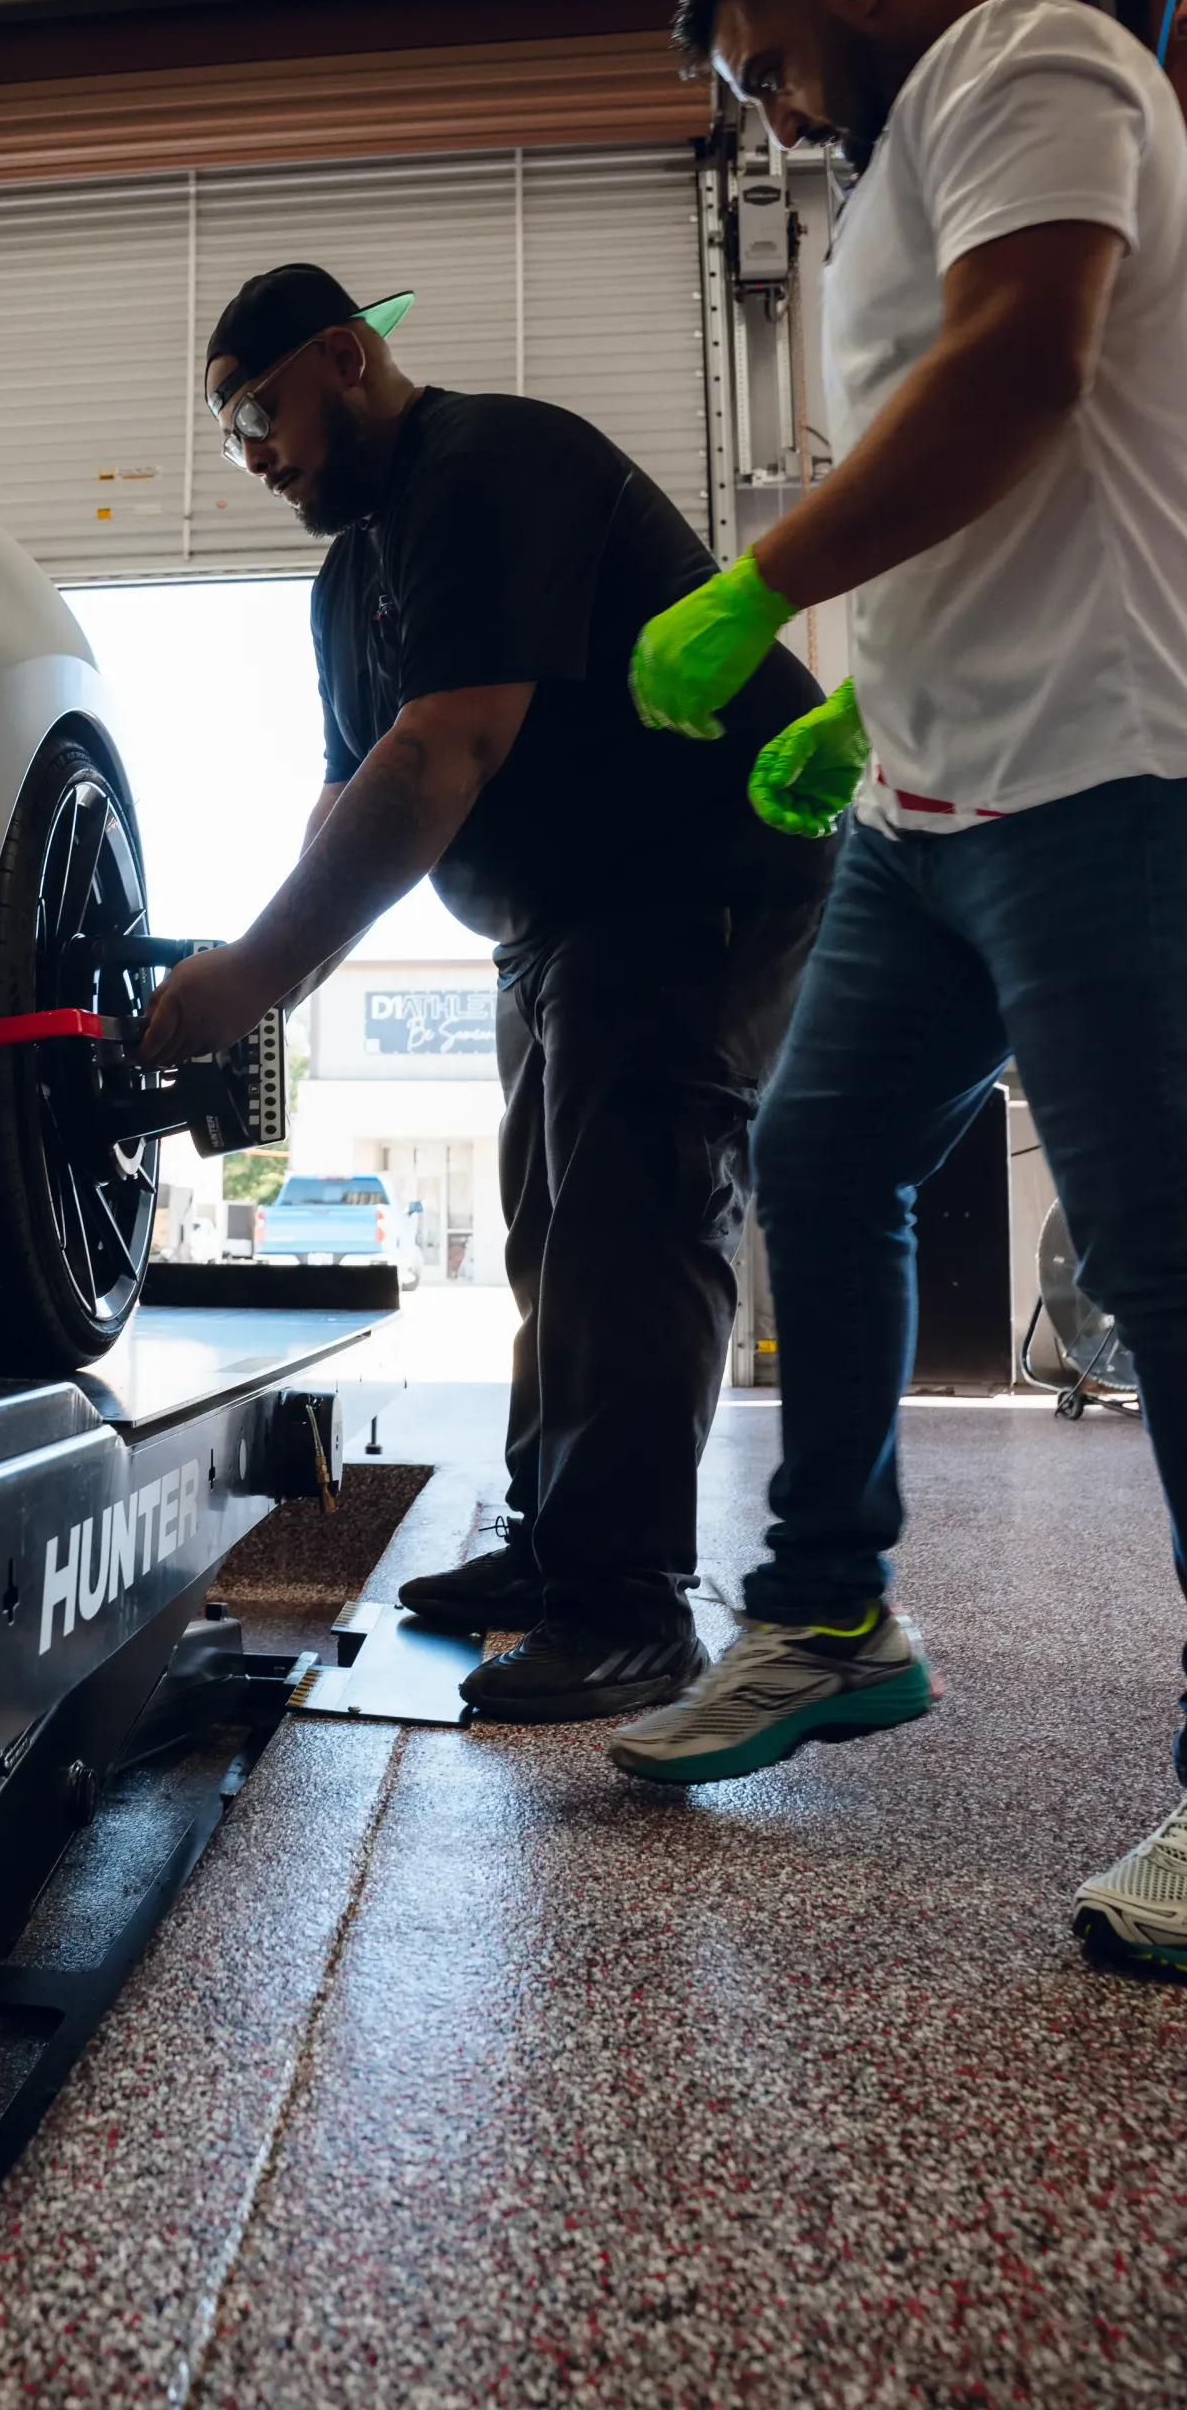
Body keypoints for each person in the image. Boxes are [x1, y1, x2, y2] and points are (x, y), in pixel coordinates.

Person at [605, 0, 1187, 1974]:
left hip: (1114, 764)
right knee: (821, 1159)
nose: (773, 115)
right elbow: (984, 472)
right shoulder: (889, 190)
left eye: (767, 68)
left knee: (1161, 1249)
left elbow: (1033, 368)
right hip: (936, 801)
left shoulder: (1029, 59)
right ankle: (829, 1610)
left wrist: (764, 581)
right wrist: (858, 703)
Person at [139, 262, 832, 1719]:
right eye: (230, 433)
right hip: (562, 920)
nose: (253, 455)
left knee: (631, 1219)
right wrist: (268, 980)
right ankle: (554, 1549)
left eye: (261, 411)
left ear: (344, 357)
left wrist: (260, 970)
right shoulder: (349, 581)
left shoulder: (497, 464)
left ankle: (632, 1607)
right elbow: (346, 798)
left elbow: (446, 750)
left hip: (698, 870)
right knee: (549, 1232)